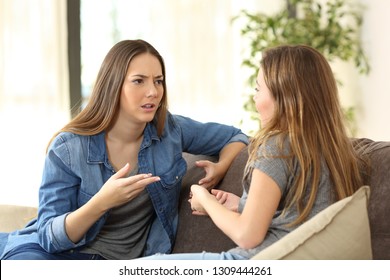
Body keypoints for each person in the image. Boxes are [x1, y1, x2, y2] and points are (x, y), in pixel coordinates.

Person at [0, 39, 248, 260]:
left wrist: (220, 167)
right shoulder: (68, 148)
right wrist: (102, 202)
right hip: (53, 255)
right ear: (114, 85)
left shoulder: (170, 130)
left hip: (116, 264)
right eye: (139, 81)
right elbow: (48, 237)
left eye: (158, 81)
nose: (153, 91)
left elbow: (236, 137)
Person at [139, 44, 365, 260]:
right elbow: (298, 217)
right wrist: (240, 205)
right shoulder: (333, 149)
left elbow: (247, 235)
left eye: (258, 89)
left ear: (285, 97)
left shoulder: (276, 147)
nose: (254, 97)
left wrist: (205, 200)